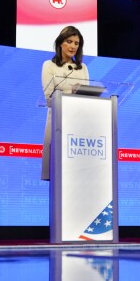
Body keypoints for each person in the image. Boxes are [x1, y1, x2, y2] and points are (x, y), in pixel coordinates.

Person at [41, 26, 89, 181]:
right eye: (69, 41)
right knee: (57, 172)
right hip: (57, 120)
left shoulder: (83, 68)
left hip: (77, 123)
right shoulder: (49, 65)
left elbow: (87, 96)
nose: (73, 46)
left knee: (76, 174)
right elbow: (49, 97)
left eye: (77, 43)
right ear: (60, 43)